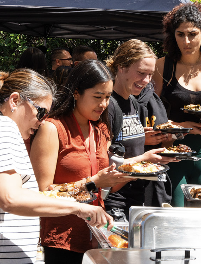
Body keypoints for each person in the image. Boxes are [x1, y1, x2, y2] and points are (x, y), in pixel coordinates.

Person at [0, 68, 113, 264]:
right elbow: (10, 198)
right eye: (40, 112)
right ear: (14, 101)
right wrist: (77, 208)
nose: (41, 122)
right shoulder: (2, 127)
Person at [30, 60, 132, 264]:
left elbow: (103, 187)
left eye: (108, 97)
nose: (103, 104)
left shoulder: (100, 129)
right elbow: (42, 193)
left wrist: (130, 175)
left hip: (98, 235)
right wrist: (94, 181)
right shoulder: (52, 129)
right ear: (76, 93)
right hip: (62, 238)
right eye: (97, 96)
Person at [152, 2, 201, 207]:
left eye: (192, 34)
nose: (186, 41)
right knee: (176, 211)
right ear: (172, 35)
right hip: (173, 150)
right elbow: (151, 113)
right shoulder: (162, 66)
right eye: (180, 34)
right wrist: (178, 126)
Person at [104, 39, 178, 220]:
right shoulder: (108, 105)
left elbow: (126, 144)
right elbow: (104, 159)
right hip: (114, 202)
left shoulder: (133, 103)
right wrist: (145, 158)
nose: (146, 81)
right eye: (140, 73)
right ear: (121, 67)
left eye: (150, 74)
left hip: (136, 198)